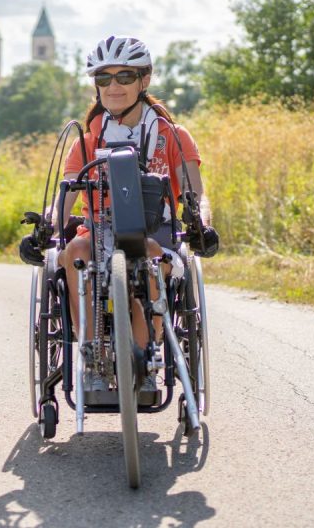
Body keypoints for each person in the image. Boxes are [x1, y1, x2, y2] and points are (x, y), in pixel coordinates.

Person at [20, 35, 218, 396]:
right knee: (74, 255)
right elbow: (67, 190)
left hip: (155, 231)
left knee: (149, 256)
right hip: (97, 230)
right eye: (104, 78)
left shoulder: (171, 134)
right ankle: (93, 357)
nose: (114, 86)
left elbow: (196, 192)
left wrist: (201, 222)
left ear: (144, 81)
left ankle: (146, 357)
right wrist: (46, 223)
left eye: (125, 77)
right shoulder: (88, 135)